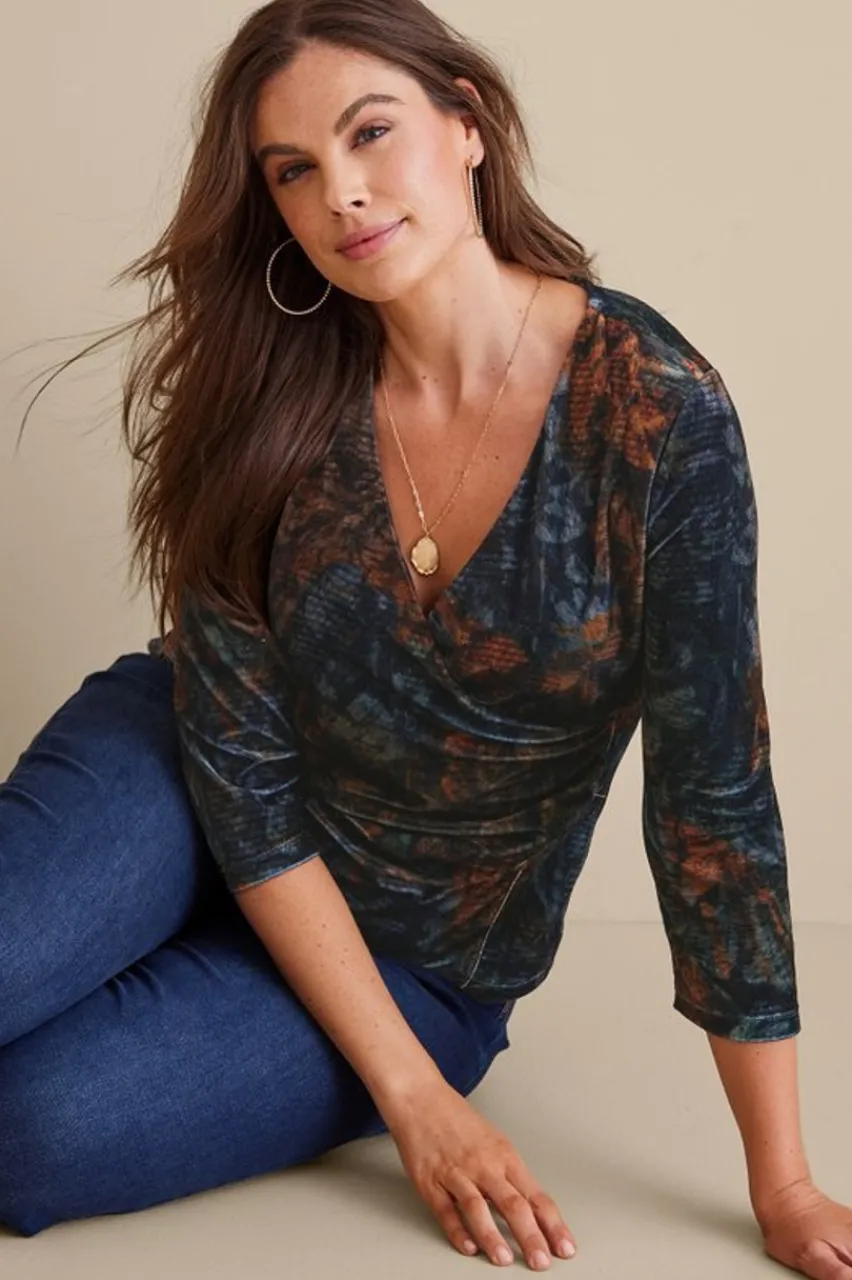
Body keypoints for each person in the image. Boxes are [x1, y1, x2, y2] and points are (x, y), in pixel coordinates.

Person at [3, 0, 851, 1273]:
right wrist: (406, 1101)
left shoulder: (656, 415)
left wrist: (782, 1182)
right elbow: (242, 769)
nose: (341, 192)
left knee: (31, 1131)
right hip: (182, 778)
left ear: (468, 123)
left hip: (422, 953)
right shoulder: (270, 386)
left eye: (370, 132)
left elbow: (713, 803)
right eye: (293, 170)